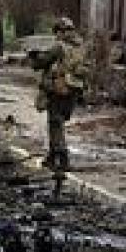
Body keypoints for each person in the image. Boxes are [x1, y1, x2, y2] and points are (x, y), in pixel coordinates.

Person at [35, 16, 89, 172]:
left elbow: (42, 62)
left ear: (60, 32)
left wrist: (34, 57)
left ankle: (63, 157)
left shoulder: (59, 46)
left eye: (56, 32)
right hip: (74, 89)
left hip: (59, 88)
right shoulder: (80, 46)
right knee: (58, 121)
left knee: (55, 122)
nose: (56, 35)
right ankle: (52, 157)